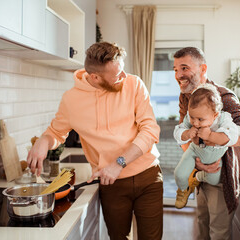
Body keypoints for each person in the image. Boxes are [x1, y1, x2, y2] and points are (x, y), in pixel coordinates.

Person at [27, 42, 163, 240]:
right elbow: (55, 132)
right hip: (111, 184)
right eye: (117, 75)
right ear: (95, 77)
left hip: (148, 175)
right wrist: (43, 142)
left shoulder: (134, 84)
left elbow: (150, 130)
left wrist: (119, 163)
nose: (124, 77)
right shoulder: (71, 100)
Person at [173, 47, 240, 239]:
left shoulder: (222, 97)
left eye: (184, 68)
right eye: (176, 69)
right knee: (202, 225)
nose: (178, 75)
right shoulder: (186, 97)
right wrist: (196, 162)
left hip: (221, 177)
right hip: (200, 174)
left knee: (218, 233)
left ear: (203, 69)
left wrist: (213, 138)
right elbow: (184, 132)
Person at [174, 84, 239, 209]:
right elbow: (177, 132)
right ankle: (183, 190)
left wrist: (210, 135)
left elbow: (232, 137)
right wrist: (187, 133)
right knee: (179, 174)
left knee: (214, 180)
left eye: (200, 119)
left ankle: (196, 177)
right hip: (195, 152)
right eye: (192, 117)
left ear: (215, 115)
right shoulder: (190, 119)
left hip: (215, 158)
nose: (195, 122)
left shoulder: (223, 118)